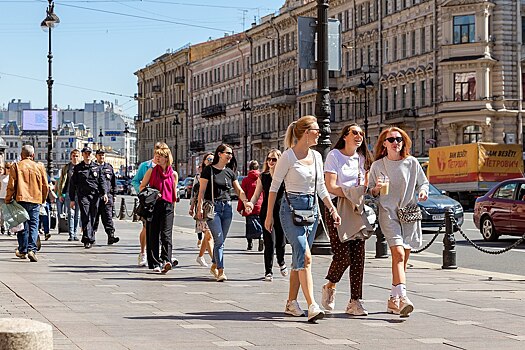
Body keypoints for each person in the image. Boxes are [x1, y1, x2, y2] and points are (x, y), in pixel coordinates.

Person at [264, 115, 341, 323]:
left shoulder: (316, 156)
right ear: (306, 133)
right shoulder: (287, 157)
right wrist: (269, 215)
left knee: (299, 259)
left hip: (312, 209)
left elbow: (321, 187)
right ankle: (312, 305)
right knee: (306, 256)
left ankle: (291, 303)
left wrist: (332, 209)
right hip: (290, 210)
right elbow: (274, 187)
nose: (320, 133)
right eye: (317, 130)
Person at [368, 127, 429, 317]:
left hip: (409, 212)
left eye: (399, 139)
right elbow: (371, 191)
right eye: (392, 139)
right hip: (388, 213)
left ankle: (393, 300)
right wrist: (376, 189)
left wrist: (423, 191)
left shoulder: (411, 163)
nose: (396, 143)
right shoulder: (378, 165)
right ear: (384, 144)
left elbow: (423, 182)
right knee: (399, 254)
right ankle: (403, 298)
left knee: (401, 260)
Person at [321, 123, 373, 316]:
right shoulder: (334, 156)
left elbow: (366, 185)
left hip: (356, 208)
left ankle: (355, 301)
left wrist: (370, 189)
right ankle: (330, 285)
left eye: (361, 133)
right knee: (343, 255)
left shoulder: (362, 158)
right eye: (355, 133)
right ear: (345, 136)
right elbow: (331, 186)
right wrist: (353, 192)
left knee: (359, 256)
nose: (359, 136)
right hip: (337, 208)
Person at [196, 144, 253, 282]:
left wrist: (246, 202)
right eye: (227, 153)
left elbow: (238, 190)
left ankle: (214, 264)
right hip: (213, 208)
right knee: (219, 240)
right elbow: (202, 190)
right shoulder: (208, 170)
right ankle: (220, 270)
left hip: (227, 208)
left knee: (220, 241)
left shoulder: (230, 172)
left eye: (231, 154)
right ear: (220, 154)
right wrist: (199, 207)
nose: (230, 156)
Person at [248, 149, 288, 282]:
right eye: (269, 159)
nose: (270, 162)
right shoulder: (263, 176)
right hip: (266, 212)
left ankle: (281, 262)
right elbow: (256, 194)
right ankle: (268, 271)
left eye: (274, 159)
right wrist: (251, 204)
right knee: (269, 241)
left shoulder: (285, 176)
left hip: (282, 211)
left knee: (281, 241)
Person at [5, 145, 49, 262]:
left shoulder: (17, 166)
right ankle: (32, 249)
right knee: (34, 225)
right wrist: (43, 199)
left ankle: (23, 250)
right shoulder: (39, 167)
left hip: (21, 199)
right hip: (35, 199)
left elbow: (11, 185)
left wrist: (8, 199)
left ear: (21, 155)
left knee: (22, 226)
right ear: (33, 155)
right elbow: (45, 186)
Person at [139, 146, 178, 273]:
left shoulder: (173, 174)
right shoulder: (151, 171)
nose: (157, 157)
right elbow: (142, 187)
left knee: (166, 235)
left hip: (168, 206)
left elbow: (174, 193)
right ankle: (155, 263)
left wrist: (174, 209)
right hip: (154, 206)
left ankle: (166, 260)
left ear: (166, 158)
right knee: (153, 234)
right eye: (156, 155)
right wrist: (154, 194)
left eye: (160, 155)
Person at [131, 142, 168, 266]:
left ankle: (165, 256)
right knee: (147, 228)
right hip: (149, 203)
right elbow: (135, 181)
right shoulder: (146, 166)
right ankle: (143, 252)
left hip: (163, 203)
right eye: (158, 151)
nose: (160, 155)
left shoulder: (167, 167)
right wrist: (144, 194)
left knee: (164, 230)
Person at [69, 146, 107, 249]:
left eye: (89, 153)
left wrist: (105, 193)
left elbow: (102, 181)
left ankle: (91, 235)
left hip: (95, 195)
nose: (87, 155)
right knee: (85, 215)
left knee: (93, 216)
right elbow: (73, 184)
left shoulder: (97, 167)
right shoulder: (78, 168)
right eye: (85, 153)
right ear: (83, 154)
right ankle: (87, 238)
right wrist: (72, 199)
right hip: (83, 195)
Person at [189, 153, 214, 267]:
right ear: (204, 161)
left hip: (213, 208)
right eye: (208, 159)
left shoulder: (215, 174)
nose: (210, 161)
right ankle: (216, 261)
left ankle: (200, 256)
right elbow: (195, 193)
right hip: (202, 208)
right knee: (208, 234)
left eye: (212, 159)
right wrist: (192, 207)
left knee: (208, 235)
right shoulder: (199, 176)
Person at [93, 149, 120, 245]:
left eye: (103, 155)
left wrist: (114, 194)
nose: (101, 157)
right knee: (94, 217)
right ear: (96, 156)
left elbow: (113, 182)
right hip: (95, 196)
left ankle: (111, 236)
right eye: (100, 155)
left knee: (108, 217)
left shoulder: (109, 167)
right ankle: (91, 236)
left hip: (107, 197)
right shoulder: (93, 167)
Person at [238, 160, 263, 251]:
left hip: (248, 205)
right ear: (258, 168)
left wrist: (240, 207)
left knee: (249, 224)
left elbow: (242, 194)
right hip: (261, 205)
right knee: (261, 223)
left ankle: (250, 244)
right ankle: (261, 237)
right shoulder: (261, 178)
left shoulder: (246, 180)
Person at [57, 149, 82, 241]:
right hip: (68, 193)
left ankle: (75, 233)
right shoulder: (67, 167)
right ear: (71, 157)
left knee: (77, 215)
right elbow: (61, 181)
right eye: (74, 156)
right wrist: (60, 194)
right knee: (70, 213)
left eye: (77, 156)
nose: (75, 158)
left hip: (79, 194)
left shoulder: (81, 167)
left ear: (79, 157)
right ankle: (71, 234)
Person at [0, 163, 11, 234]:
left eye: (9, 168)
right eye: (7, 168)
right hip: (1, 197)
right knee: (2, 214)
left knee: (9, 214)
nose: (8, 169)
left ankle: (9, 229)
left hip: (9, 197)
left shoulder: (11, 177)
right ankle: (2, 226)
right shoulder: (1, 177)